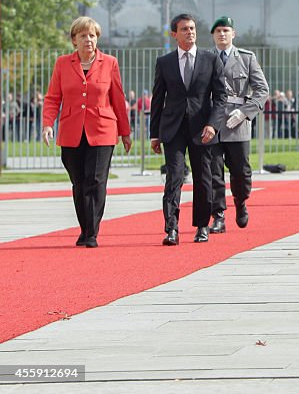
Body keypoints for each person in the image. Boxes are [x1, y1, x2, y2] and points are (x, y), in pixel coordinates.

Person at [41, 17, 132, 248]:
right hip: (72, 131)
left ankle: (92, 232)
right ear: (74, 40)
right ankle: (85, 228)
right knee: (79, 183)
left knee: (95, 180)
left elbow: (118, 99)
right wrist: (48, 124)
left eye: (92, 35)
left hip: (102, 130)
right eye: (83, 35)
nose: (88, 40)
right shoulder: (62, 64)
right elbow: (53, 97)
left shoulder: (109, 62)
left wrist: (125, 131)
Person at [150, 13, 227, 245]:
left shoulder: (211, 60)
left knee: (203, 178)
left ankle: (202, 225)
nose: (190, 32)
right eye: (184, 29)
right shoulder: (164, 62)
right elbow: (157, 100)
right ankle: (171, 228)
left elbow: (221, 97)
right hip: (173, 129)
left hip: (202, 129)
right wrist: (154, 134)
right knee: (174, 177)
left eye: (192, 28)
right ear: (175, 34)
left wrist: (213, 125)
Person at [207, 16, 269, 234]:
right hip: (212, 124)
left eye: (226, 30)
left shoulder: (246, 58)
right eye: (218, 31)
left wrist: (244, 113)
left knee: (241, 172)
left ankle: (240, 202)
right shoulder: (205, 58)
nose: (222, 34)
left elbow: (262, 91)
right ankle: (219, 215)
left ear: (233, 34)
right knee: (213, 172)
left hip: (237, 123)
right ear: (213, 36)